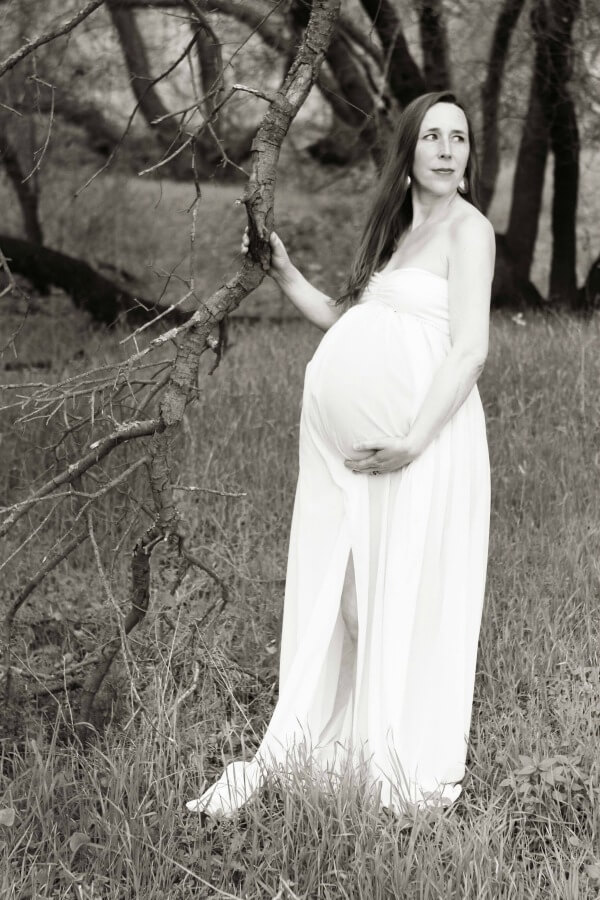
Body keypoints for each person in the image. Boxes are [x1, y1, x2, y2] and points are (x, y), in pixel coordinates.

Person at [187, 90, 495, 821]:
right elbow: (346, 317)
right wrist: (286, 271)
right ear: (409, 153)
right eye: (433, 137)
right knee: (353, 599)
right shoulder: (395, 232)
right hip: (350, 459)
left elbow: (471, 347)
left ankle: (395, 754)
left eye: (459, 138)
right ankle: (351, 740)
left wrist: (415, 438)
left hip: (423, 443)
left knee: (405, 590)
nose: (448, 149)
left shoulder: (469, 230)